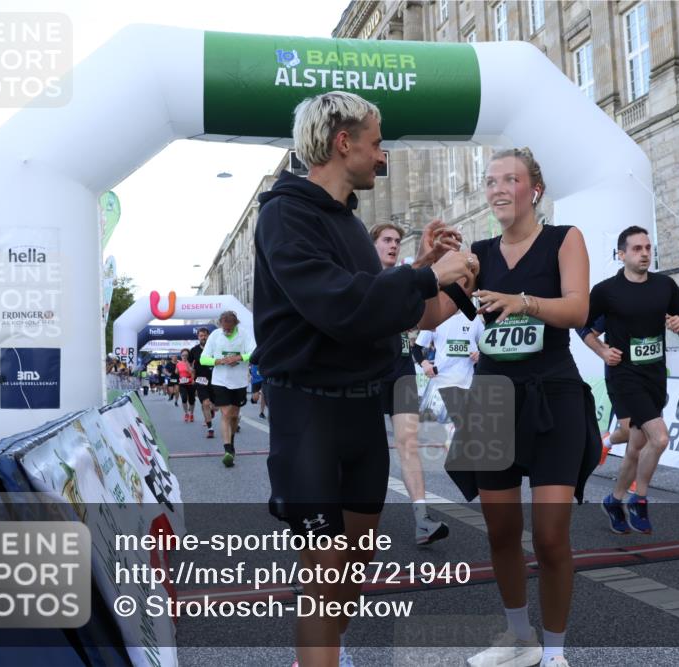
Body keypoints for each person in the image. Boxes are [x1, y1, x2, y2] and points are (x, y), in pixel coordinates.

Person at [252, 91, 477, 667]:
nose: (383, 157)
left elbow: (398, 314)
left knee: (351, 579)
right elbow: (338, 305)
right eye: (376, 143)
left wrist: (441, 275)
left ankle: (326, 651)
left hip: (360, 417)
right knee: (324, 581)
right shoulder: (285, 213)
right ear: (342, 141)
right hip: (309, 416)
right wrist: (424, 279)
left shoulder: (349, 221)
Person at [459, 147, 598, 667]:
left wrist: (523, 302)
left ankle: (556, 652)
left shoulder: (565, 239)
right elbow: (428, 318)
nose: (496, 188)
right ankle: (519, 639)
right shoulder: (477, 253)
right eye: (490, 180)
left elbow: (578, 307)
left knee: (549, 534)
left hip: (553, 394)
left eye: (508, 179)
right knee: (498, 531)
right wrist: (429, 266)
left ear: (533, 189)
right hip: (492, 399)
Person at [592, 225, 679, 539]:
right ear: (621, 255)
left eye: (648, 247)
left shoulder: (664, 285)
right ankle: (640, 498)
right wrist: (603, 351)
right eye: (636, 248)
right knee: (659, 439)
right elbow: (583, 329)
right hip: (624, 374)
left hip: (654, 374)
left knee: (636, 445)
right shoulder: (606, 291)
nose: (645, 253)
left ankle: (614, 499)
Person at [371, 221, 452, 547]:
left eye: (397, 241)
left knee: (408, 441)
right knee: (366, 450)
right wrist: (423, 262)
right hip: (368, 372)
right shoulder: (363, 275)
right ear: (373, 245)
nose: (393, 245)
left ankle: (422, 520)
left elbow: (425, 317)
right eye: (387, 240)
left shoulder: (407, 276)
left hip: (401, 368)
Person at [200, 311, 256, 466]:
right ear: (220, 324)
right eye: (224, 328)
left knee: (234, 415)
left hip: (239, 382)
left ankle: (231, 442)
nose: (227, 331)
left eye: (229, 328)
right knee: (226, 413)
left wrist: (239, 357)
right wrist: (220, 361)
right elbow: (203, 359)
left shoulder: (244, 335)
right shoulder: (215, 336)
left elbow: (255, 353)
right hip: (220, 381)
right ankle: (227, 450)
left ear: (235, 324)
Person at [578, 316, 630, 453]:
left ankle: (605, 443)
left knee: (651, 435)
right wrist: (602, 350)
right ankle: (605, 443)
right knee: (631, 430)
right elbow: (581, 326)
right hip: (621, 371)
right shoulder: (612, 297)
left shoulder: (658, 296)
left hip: (651, 372)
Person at [190, 327, 218, 439]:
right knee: (205, 403)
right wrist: (192, 377)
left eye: (205, 335)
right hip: (201, 380)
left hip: (215, 379)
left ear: (208, 336)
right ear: (198, 337)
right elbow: (190, 364)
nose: (203, 337)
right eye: (201, 336)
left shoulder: (215, 348)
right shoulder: (194, 350)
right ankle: (210, 428)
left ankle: (212, 410)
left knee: (215, 406)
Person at [177, 349, 196, 422]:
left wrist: (193, 379)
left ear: (188, 356)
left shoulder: (191, 363)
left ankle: (191, 414)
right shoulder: (178, 364)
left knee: (191, 400)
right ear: (181, 356)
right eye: (183, 355)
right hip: (182, 384)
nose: (184, 357)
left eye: (186, 355)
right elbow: (177, 372)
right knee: (184, 399)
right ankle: (186, 413)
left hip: (190, 383)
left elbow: (193, 372)